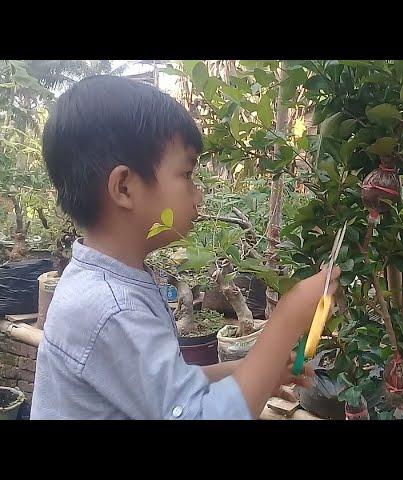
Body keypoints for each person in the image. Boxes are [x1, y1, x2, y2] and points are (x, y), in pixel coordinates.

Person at [31, 75, 340, 419]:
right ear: (124, 187)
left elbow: (168, 386)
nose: (199, 194)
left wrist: (257, 371)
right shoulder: (111, 308)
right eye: (187, 174)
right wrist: (288, 316)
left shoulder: (108, 284)